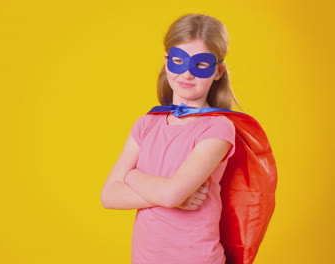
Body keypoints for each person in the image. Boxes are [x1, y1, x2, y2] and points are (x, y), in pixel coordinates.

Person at [101, 14, 276, 264]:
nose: (187, 74)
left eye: (201, 65)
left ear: (218, 71)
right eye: (179, 61)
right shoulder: (146, 124)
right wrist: (165, 193)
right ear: (167, 61)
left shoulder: (217, 128)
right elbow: (109, 196)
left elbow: (172, 195)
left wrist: (130, 176)